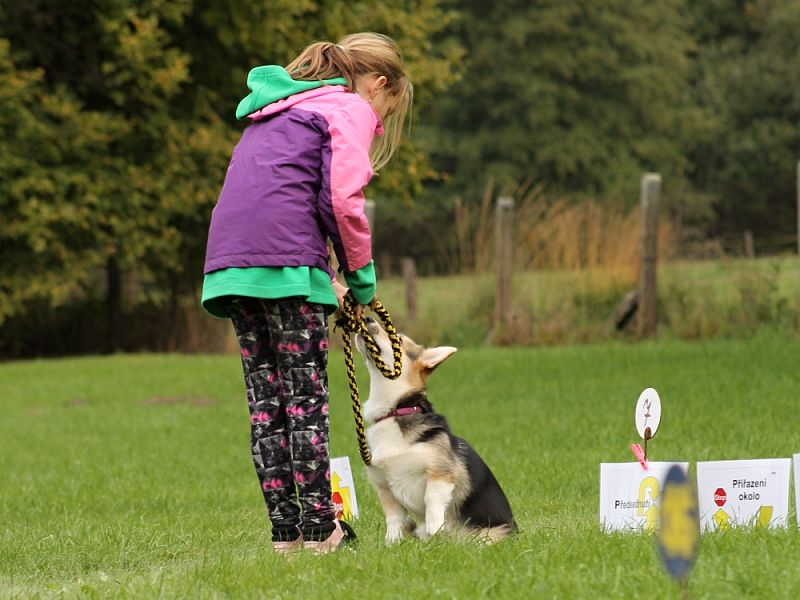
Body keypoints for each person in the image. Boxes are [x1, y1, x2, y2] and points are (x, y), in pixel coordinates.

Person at [201, 32, 413, 554]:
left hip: (232, 264)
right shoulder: (346, 107)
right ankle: (323, 529)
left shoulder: (276, 109)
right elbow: (341, 201)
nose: (379, 120)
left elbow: (286, 197)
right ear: (378, 84)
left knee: (265, 403)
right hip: (284, 262)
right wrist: (361, 281)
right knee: (304, 399)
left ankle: (286, 535)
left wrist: (329, 279)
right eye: (386, 109)